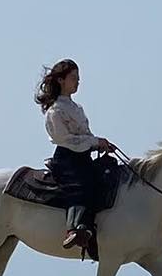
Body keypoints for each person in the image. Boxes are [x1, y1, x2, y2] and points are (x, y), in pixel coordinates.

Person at [35, 59, 116, 253]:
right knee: (81, 185)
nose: (77, 82)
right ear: (61, 80)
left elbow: (84, 135)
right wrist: (95, 141)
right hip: (67, 159)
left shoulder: (76, 108)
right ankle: (74, 229)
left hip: (83, 156)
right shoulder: (55, 111)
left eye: (78, 78)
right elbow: (65, 139)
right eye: (73, 78)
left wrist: (100, 143)